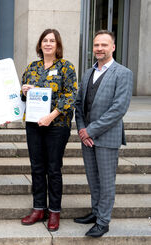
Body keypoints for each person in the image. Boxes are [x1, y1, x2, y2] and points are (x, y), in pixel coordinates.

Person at [74, 30, 133, 237]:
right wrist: (82, 130)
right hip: (87, 138)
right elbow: (79, 104)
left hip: (107, 137)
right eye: (97, 45)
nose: (99, 48)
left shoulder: (123, 73)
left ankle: (103, 221)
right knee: (93, 178)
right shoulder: (87, 73)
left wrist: (89, 130)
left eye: (104, 45)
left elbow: (118, 109)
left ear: (113, 47)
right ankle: (96, 212)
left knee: (106, 182)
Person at [20, 29, 77, 232]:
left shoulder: (66, 67)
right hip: (34, 125)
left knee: (53, 168)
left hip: (57, 126)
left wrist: (51, 116)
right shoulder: (32, 67)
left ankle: (54, 211)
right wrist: (24, 91)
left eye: (52, 40)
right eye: (45, 40)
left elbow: (70, 96)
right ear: (40, 44)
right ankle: (38, 209)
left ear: (57, 45)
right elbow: (22, 96)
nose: (48, 44)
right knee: (36, 167)